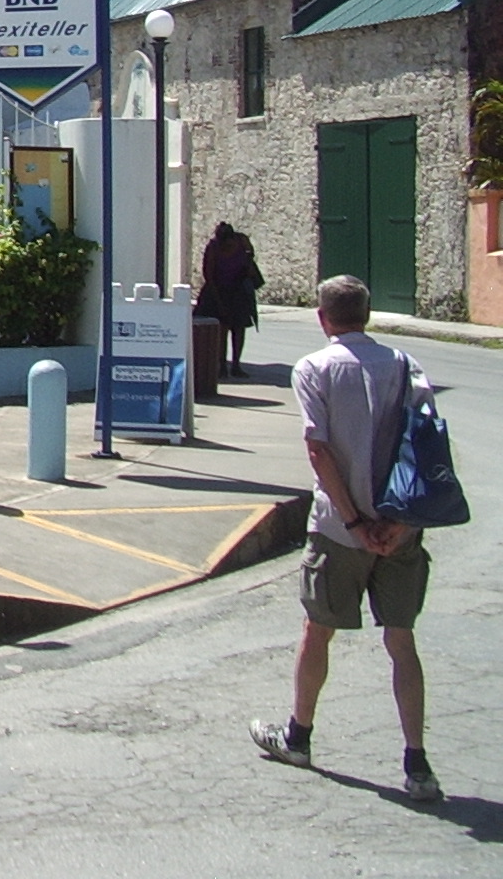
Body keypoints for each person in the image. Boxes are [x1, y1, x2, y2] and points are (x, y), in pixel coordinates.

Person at [251, 274, 442, 802]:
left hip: (340, 528)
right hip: (401, 527)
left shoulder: (314, 369)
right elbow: (425, 446)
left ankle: (299, 737)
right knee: (401, 641)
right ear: (369, 314)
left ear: (322, 317)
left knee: (318, 631)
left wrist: (356, 522)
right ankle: (418, 764)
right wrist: (397, 523)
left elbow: (319, 449)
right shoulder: (406, 366)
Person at [199, 222, 264, 378]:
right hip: (218, 290)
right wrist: (218, 301)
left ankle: (236, 365)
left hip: (238, 290)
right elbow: (209, 275)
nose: (227, 247)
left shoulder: (242, 241)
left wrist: (248, 260)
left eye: (229, 243)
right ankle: (222, 365)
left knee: (239, 328)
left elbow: (251, 254)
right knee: (221, 329)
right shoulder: (213, 248)